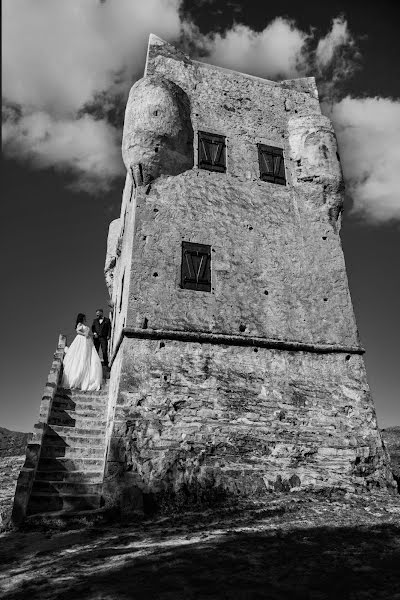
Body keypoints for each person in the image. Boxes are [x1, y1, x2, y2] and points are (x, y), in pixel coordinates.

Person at [61, 313, 103, 391]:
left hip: (87, 341)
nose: (85, 318)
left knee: (87, 357)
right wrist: (84, 334)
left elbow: (86, 332)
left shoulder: (84, 325)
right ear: (81, 318)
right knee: (80, 356)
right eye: (84, 317)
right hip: (81, 340)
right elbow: (77, 331)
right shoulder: (79, 323)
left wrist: (91, 335)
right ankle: (76, 379)